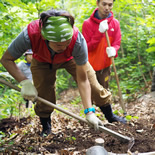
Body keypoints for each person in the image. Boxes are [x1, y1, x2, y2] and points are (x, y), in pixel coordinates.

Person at [0, 8, 125, 137]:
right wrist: (24, 82)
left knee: (94, 85)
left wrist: (89, 112)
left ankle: (110, 116)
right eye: (58, 45)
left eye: (66, 43)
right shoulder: (30, 34)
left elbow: (83, 80)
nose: (63, 47)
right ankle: (46, 127)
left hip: (71, 59)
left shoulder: (77, 40)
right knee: (43, 94)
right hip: (42, 60)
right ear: (45, 37)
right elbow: (6, 59)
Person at [82, 0, 123, 117]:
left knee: (104, 89)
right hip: (90, 66)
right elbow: (86, 47)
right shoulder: (87, 24)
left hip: (105, 65)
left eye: (110, 5)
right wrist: (99, 33)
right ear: (97, 3)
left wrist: (114, 50)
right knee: (91, 91)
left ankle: (108, 116)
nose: (107, 7)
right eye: (104, 4)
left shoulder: (115, 23)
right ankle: (91, 116)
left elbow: (117, 42)